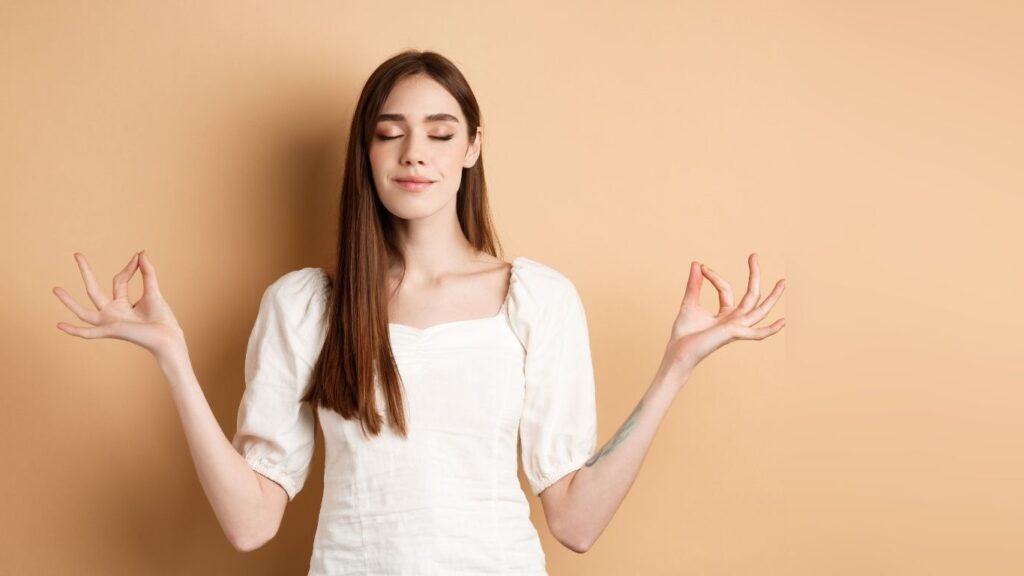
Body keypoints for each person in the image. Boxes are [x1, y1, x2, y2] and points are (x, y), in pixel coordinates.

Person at [53, 49, 786, 575]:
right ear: (366, 154)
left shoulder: (537, 299)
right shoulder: (307, 306)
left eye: (440, 132)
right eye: (389, 131)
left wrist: (676, 365)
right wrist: (172, 357)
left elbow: (576, 520)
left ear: (472, 148)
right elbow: (251, 524)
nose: (415, 153)